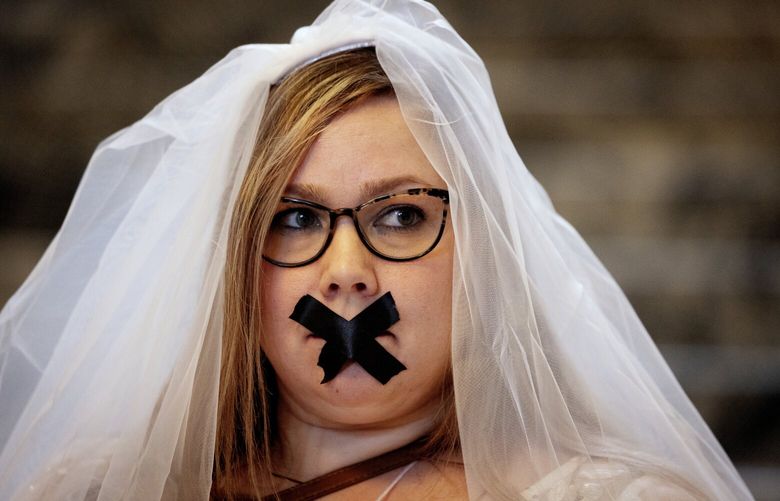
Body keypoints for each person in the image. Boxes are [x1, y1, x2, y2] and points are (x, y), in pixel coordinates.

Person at [0, 1, 753, 500]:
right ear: (234, 262)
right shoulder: (103, 486)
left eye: (398, 216)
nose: (348, 274)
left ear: (481, 249)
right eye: (293, 220)